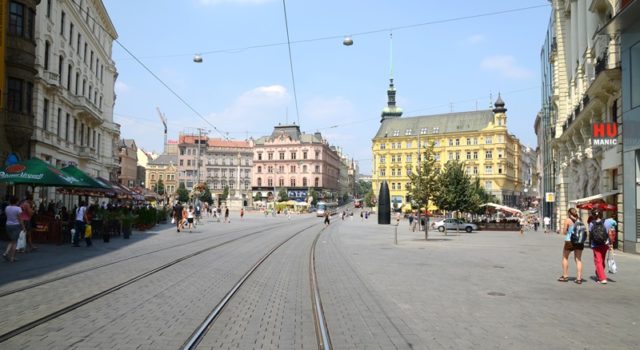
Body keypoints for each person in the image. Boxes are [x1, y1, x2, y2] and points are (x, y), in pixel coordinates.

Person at [558, 208, 584, 284]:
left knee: (565, 258)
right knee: (578, 259)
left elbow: (564, 232)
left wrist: (569, 231)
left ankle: (565, 276)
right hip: (579, 241)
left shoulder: (568, 220)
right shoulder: (580, 219)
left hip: (569, 241)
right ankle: (579, 278)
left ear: (569, 213)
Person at [589, 209, 609, 284]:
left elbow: (591, 234)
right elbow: (609, 231)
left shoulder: (591, 223)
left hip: (595, 244)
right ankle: (599, 274)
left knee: (598, 261)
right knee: (602, 260)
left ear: (593, 215)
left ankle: (602, 278)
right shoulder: (606, 222)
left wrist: (590, 244)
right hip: (605, 244)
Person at [3, 196, 25, 262]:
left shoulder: (7, 208)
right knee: (15, 242)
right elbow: (20, 219)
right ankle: (12, 257)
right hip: (16, 226)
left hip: (8, 225)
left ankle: (6, 253)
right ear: (16, 201)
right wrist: (23, 227)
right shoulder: (18, 209)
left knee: (11, 240)